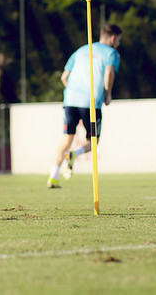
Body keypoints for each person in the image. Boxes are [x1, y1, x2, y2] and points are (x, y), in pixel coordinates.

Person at [47, 24, 122, 189]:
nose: (118, 43)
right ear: (113, 38)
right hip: (91, 104)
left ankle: (53, 177)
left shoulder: (80, 50)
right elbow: (109, 72)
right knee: (93, 141)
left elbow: (64, 77)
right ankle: (74, 154)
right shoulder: (112, 53)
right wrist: (108, 94)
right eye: (118, 40)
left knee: (66, 139)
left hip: (70, 102)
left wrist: (74, 93)